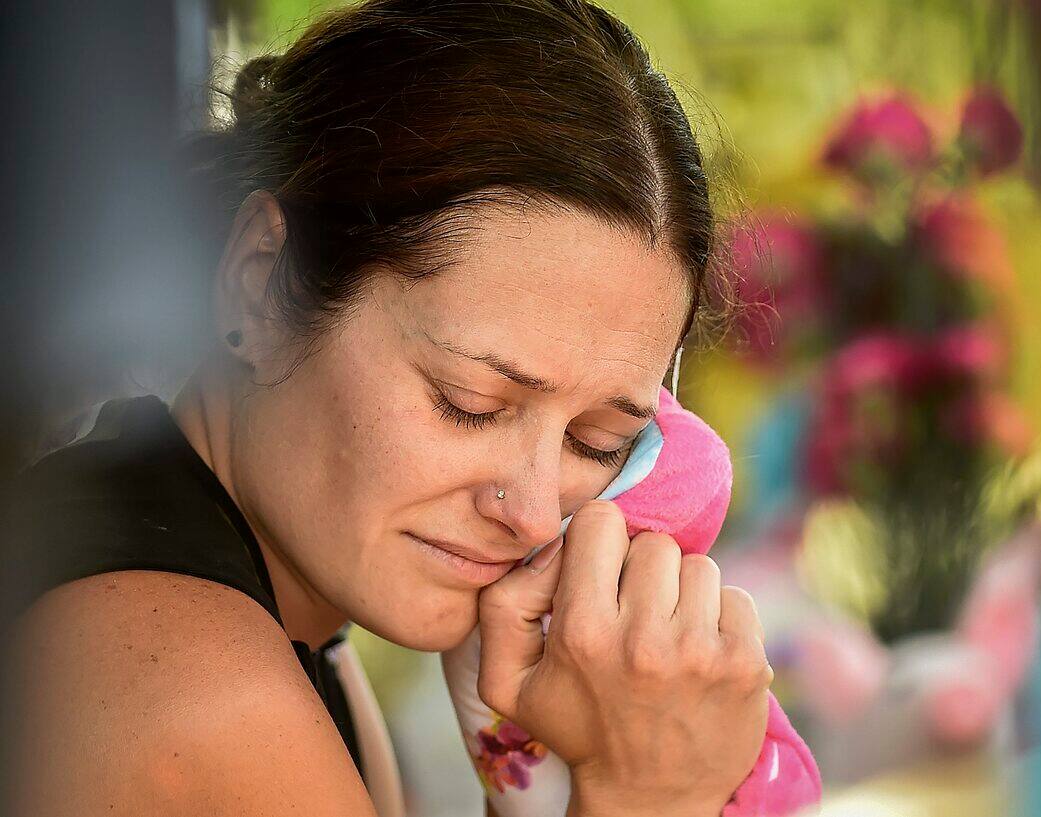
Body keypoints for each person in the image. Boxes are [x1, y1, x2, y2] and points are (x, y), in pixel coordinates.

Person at [3, 2, 773, 815]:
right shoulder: (196, 688)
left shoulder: (292, 622)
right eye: (469, 403)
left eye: (599, 439)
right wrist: (648, 789)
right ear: (261, 282)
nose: (538, 514)